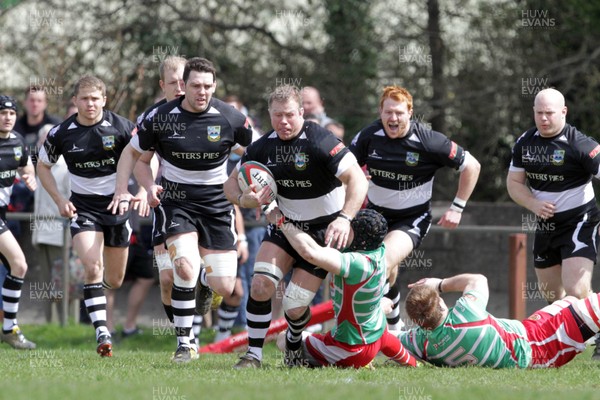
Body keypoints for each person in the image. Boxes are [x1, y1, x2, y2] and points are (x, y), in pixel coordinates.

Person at [110, 57, 253, 362]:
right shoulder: (159, 117)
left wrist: (248, 184)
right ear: (183, 86)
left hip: (217, 204)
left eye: (207, 86)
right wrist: (136, 188)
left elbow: (256, 154)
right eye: (195, 85)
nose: (202, 92)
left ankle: (205, 281)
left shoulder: (232, 119)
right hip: (175, 201)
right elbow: (133, 156)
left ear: (214, 86)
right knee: (182, 267)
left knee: (225, 287)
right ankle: (185, 345)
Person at [223, 84, 368, 368]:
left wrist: (344, 218)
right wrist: (246, 199)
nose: (284, 122)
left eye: (290, 115)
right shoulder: (263, 146)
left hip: (322, 233)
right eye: (277, 116)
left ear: (302, 112)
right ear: (269, 115)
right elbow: (229, 187)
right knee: (262, 284)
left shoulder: (320, 141)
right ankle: (253, 354)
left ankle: (293, 339)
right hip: (284, 224)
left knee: (294, 304)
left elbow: (358, 180)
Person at [349, 85, 480, 330]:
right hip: (375, 216)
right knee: (385, 268)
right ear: (380, 112)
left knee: (380, 262)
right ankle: (396, 327)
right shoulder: (368, 136)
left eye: (399, 112)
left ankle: (368, 327)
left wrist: (457, 207)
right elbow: (342, 167)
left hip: (411, 219)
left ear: (410, 112)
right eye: (388, 112)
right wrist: (354, 175)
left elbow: (472, 166)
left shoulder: (429, 141)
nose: (393, 118)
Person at [37, 76, 142, 357]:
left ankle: (99, 304)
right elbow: (42, 166)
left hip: (118, 208)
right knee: (92, 267)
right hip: (83, 210)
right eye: (84, 98)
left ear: (104, 100)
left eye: (95, 98)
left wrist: (142, 190)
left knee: (116, 280)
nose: (90, 103)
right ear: (75, 101)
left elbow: (146, 156)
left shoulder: (122, 127)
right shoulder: (61, 133)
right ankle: (102, 333)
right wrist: (60, 200)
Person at [507, 88, 600, 359]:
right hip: (546, 223)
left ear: (563, 112)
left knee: (576, 288)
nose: (544, 118)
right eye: (539, 113)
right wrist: (533, 204)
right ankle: (563, 342)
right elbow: (513, 184)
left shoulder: (580, 144)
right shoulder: (525, 142)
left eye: (549, 113)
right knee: (552, 295)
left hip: (580, 219)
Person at [269, 208, 417, 368]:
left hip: (351, 350)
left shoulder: (356, 264)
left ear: (358, 236)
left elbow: (310, 253)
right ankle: (412, 362)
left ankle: (319, 362)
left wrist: (281, 221)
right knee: (408, 360)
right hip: (379, 336)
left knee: (283, 339)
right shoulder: (381, 252)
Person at [400, 272, 600, 368]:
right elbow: (478, 280)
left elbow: (390, 338)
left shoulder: (423, 343)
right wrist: (439, 284)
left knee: (572, 299)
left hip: (528, 329)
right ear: (442, 304)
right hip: (539, 345)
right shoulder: (465, 313)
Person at [0, 95, 37, 349]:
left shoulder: (17, 142)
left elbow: (26, 166)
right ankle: (9, 328)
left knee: (17, 267)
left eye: (12, 114)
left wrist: (28, 177)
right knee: (19, 264)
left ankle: (8, 328)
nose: (7, 118)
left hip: (2, 214)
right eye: (3, 113)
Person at [32, 123, 71, 323]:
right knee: (45, 282)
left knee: (61, 282)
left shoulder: (65, 168)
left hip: (60, 235)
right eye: (42, 139)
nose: (44, 143)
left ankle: (65, 324)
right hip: (41, 233)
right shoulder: (39, 166)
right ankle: (49, 324)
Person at [13, 85, 62, 154]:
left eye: (39, 101)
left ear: (45, 104)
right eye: (32, 100)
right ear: (24, 102)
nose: (35, 104)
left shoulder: (56, 125)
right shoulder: (15, 127)